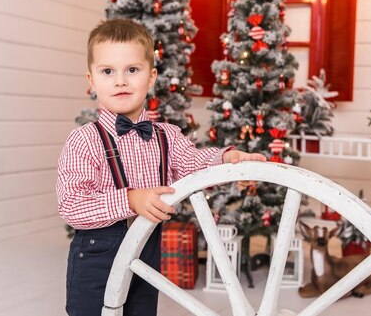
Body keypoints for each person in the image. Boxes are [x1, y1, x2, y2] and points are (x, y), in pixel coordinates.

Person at [57, 19, 265, 316]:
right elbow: (72, 205)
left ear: (151, 76)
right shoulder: (84, 140)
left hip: (146, 257)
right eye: (107, 71)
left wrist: (228, 162)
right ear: (91, 80)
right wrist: (130, 199)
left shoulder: (167, 136)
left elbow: (195, 165)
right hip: (95, 260)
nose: (120, 81)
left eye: (132, 70)